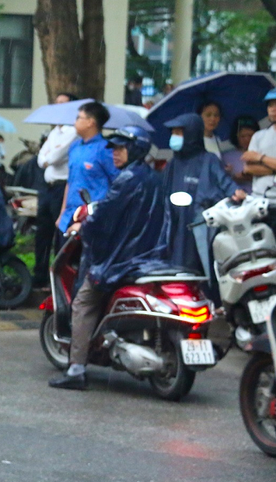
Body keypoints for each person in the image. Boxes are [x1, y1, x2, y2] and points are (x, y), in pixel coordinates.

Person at [50, 126, 170, 390]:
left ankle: (76, 369)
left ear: (135, 149)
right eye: (114, 148)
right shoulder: (154, 177)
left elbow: (104, 217)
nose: (115, 153)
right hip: (151, 256)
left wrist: (84, 225)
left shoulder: (127, 179)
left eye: (120, 148)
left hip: (121, 259)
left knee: (82, 303)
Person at [162, 113, 244, 281]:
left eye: (179, 133)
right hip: (175, 227)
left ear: (191, 134)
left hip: (199, 225)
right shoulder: (172, 164)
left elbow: (224, 182)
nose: (174, 137)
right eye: (174, 133)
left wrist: (235, 192)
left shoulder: (209, 160)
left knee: (204, 271)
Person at [33, 92, 78, 288]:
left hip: (62, 188)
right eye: (56, 103)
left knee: (60, 232)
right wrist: (49, 154)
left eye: (63, 104)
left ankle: (58, 276)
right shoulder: (54, 132)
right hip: (47, 188)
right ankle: (39, 274)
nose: (58, 107)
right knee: (42, 232)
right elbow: (41, 158)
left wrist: (49, 154)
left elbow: (54, 157)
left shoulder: (73, 131)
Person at [57, 101, 119, 234]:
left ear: (90, 122)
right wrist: (62, 212)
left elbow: (117, 184)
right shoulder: (75, 146)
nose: (75, 122)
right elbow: (70, 181)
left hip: (90, 217)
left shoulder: (105, 149)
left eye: (79, 118)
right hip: (69, 215)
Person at [242, 88, 276, 210]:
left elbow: (256, 162)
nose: (273, 109)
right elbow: (249, 168)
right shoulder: (259, 136)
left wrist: (260, 158)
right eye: (270, 106)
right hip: (259, 200)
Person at [223, 115, 259, 193]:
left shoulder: (262, 153)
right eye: (242, 136)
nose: (247, 139)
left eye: (250, 135)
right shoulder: (226, 156)